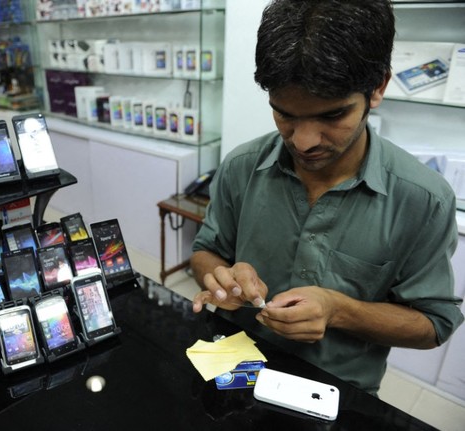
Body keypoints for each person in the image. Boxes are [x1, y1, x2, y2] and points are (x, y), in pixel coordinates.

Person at [190, 0, 464, 394]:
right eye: (284, 114)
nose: (303, 142)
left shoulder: (424, 199)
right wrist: (221, 280)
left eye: (332, 116)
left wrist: (338, 310)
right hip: (237, 366)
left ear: (378, 88)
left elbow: (433, 324)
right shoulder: (241, 166)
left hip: (336, 392)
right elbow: (205, 251)